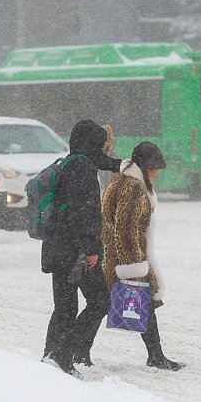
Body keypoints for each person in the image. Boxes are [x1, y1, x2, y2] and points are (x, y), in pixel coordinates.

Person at [86, 141, 185, 370]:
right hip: (126, 256)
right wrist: (133, 266)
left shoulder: (125, 181)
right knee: (131, 303)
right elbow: (126, 228)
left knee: (105, 305)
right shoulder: (132, 187)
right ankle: (155, 356)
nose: (156, 174)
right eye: (154, 169)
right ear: (144, 167)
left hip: (121, 255)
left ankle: (81, 350)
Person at [42, 120, 121, 376]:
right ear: (92, 143)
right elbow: (85, 212)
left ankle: (51, 359)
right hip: (76, 251)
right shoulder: (83, 168)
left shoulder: (69, 162)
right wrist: (91, 248)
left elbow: (100, 160)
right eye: (99, 144)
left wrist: (123, 166)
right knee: (100, 301)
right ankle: (62, 355)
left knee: (64, 308)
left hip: (57, 246)